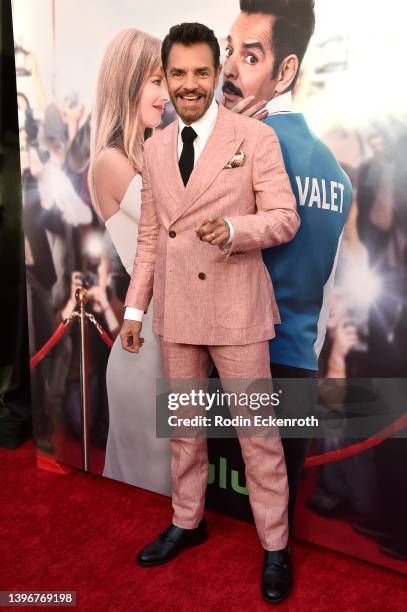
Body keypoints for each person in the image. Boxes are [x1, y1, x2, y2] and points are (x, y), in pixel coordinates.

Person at [120, 22, 300, 605]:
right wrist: (132, 309)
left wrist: (233, 230)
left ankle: (275, 545)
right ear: (167, 79)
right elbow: (149, 238)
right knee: (185, 433)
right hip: (177, 312)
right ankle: (187, 521)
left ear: (214, 73)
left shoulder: (255, 137)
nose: (190, 84)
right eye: (178, 74)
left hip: (236, 308)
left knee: (258, 438)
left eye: (202, 71)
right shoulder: (152, 148)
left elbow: (285, 217)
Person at [223, 0, 352, 534]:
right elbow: (327, 295)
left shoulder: (243, 152)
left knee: (222, 536)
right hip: (298, 368)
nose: (228, 68)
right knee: (272, 528)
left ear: (286, 71)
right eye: (228, 49)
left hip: (233, 372)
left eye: (249, 57)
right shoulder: (339, 179)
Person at [89, 28, 171, 492]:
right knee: (145, 496)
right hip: (145, 356)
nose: (167, 94)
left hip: (171, 347)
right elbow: (181, 228)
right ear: (127, 81)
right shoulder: (112, 163)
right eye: (156, 81)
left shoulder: (150, 155)